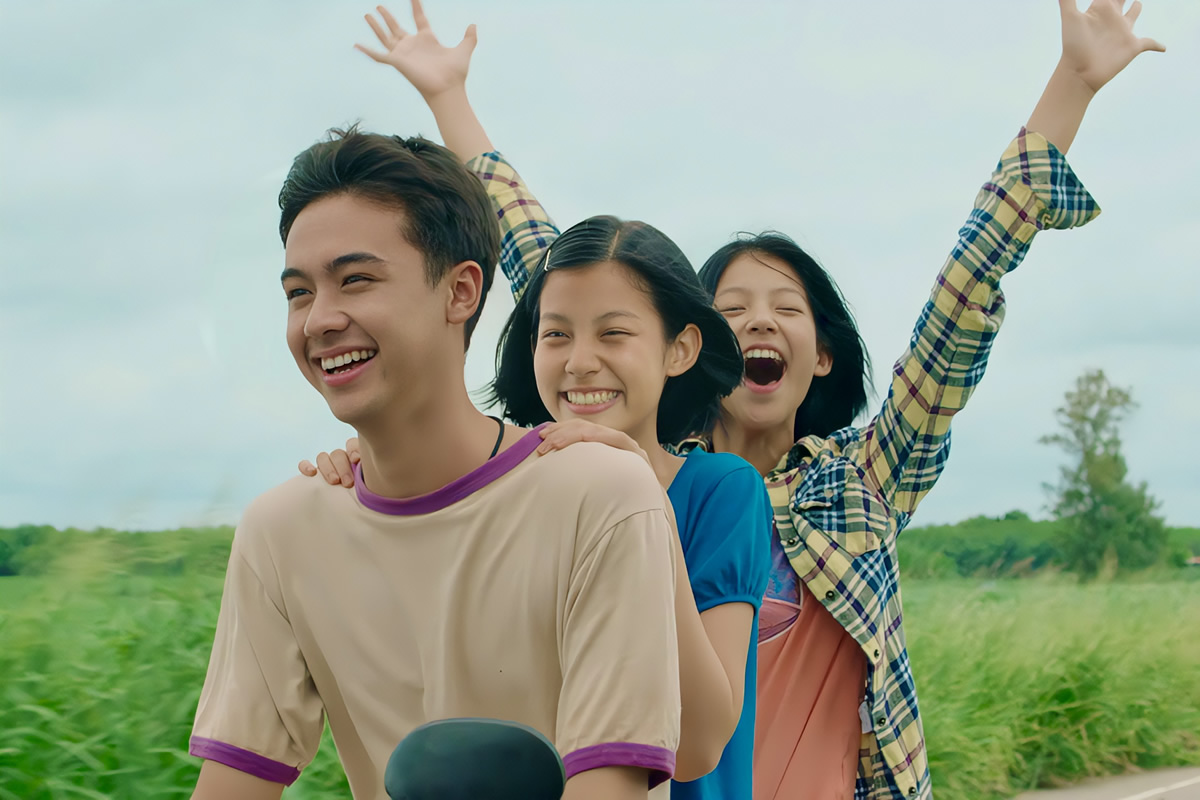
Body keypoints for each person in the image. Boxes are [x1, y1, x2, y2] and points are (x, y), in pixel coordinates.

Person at [310, 1, 1165, 797]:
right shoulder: (616, 479)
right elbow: (556, 273)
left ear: (822, 354)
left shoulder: (863, 484)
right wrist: (452, 101)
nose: (759, 321)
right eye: (734, 309)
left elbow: (962, 296)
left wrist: (1072, 86)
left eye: (786, 309)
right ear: (691, 349)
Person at [318, 11, 775, 794]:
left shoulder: (720, 492)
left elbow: (704, 737)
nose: (579, 360)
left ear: (679, 350)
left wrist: (637, 501)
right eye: (554, 334)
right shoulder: (515, 486)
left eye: (614, 333)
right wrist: (379, 473)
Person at [189, 127, 684, 800]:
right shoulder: (281, 532)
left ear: (460, 292)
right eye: (298, 293)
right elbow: (232, 782)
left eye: (356, 280)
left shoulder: (599, 495)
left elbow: (611, 782)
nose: (319, 320)